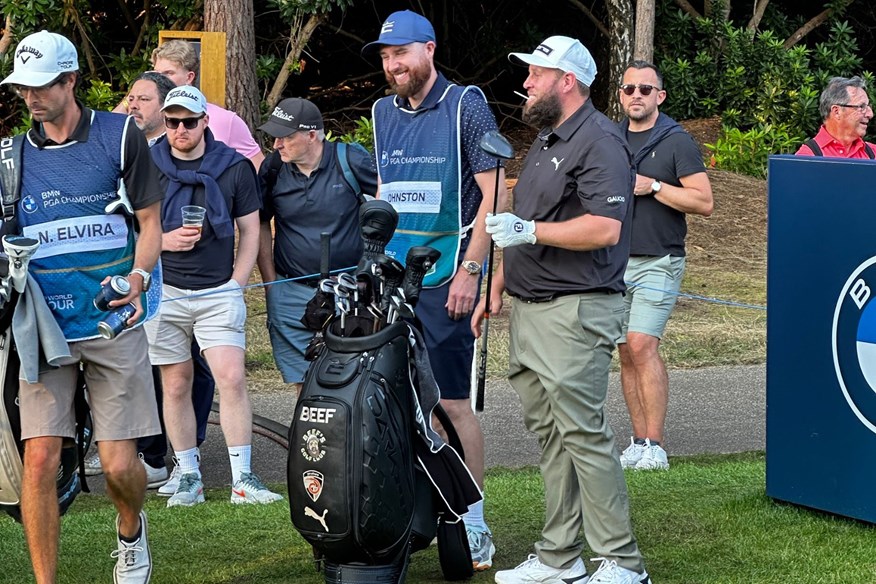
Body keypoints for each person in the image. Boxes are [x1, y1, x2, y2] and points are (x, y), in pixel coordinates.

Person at [472, 36, 651, 584]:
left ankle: (622, 562)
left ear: (566, 81)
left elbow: (605, 228)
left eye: (536, 73)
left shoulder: (600, 141)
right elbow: (528, 222)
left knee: (584, 435)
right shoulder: (550, 139)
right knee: (554, 438)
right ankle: (560, 556)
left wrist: (528, 230)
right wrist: (499, 280)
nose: (526, 83)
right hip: (531, 308)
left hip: (575, 312)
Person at [1, 30, 163, 583]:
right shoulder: (10, 156)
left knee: (121, 467)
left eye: (41, 85)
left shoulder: (120, 137)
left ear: (70, 80)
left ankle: (130, 531)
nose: (30, 98)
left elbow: (150, 223)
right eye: (22, 87)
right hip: (42, 332)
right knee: (41, 458)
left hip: (112, 321)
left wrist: (140, 276)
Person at [362, 10, 509, 571]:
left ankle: (473, 524)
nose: (393, 65)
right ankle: (408, 514)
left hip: (448, 278)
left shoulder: (465, 104)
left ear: (428, 49)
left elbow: (494, 196)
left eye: (401, 53)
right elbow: (385, 191)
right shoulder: (380, 112)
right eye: (384, 56)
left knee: (450, 404)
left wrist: (473, 271)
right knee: (396, 404)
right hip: (393, 282)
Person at [144, 86, 282, 507]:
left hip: (217, 290)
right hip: (163, 290)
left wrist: (238, 282)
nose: (180, 129)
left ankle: (244, 479)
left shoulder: (234, 167)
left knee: (232, 377)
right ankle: (188, 476)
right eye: (172, 122)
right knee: (176, 383)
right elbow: (135, 228)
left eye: (189, 121)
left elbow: (252, 227)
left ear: (206, 121)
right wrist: (165, 242)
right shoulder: (148, 164)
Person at [616, 61, 714, 471]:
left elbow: (704, 202)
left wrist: (654, 186)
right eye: (628, 89)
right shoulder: (610, 138)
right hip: (614, 262)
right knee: (624, 352)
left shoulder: (677, 142)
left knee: (642, 345)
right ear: (620, 95)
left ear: (660, 96)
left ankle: (656, 445)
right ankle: (637, 443)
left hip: (660, 260)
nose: (636, 95)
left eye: (645, 89)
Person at [85, 70, 177, 488]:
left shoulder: (169, 150)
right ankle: (118, 449)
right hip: (115, 271)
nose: (134, 105)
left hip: (157, 275)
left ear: (165, 106)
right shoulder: (116, 144)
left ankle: (153, 456)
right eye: (130, 97)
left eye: (144, 99)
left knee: (151, 367)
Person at [256, 98, 377, 391]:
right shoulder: (273, 168)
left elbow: (390, 201)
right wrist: (271, 283)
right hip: (291, 293)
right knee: (302, 383)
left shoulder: (351, 160)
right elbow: (259, 222)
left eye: (285, 137)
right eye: (275, 137)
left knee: (352, 379)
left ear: (312, 135)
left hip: (349, 293)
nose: (276, 145)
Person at [796, 76, 875, 158]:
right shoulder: (807, 157)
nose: (870, 114)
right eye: (861, 106)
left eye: (868, 106)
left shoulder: (873, 153)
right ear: (836, 112)